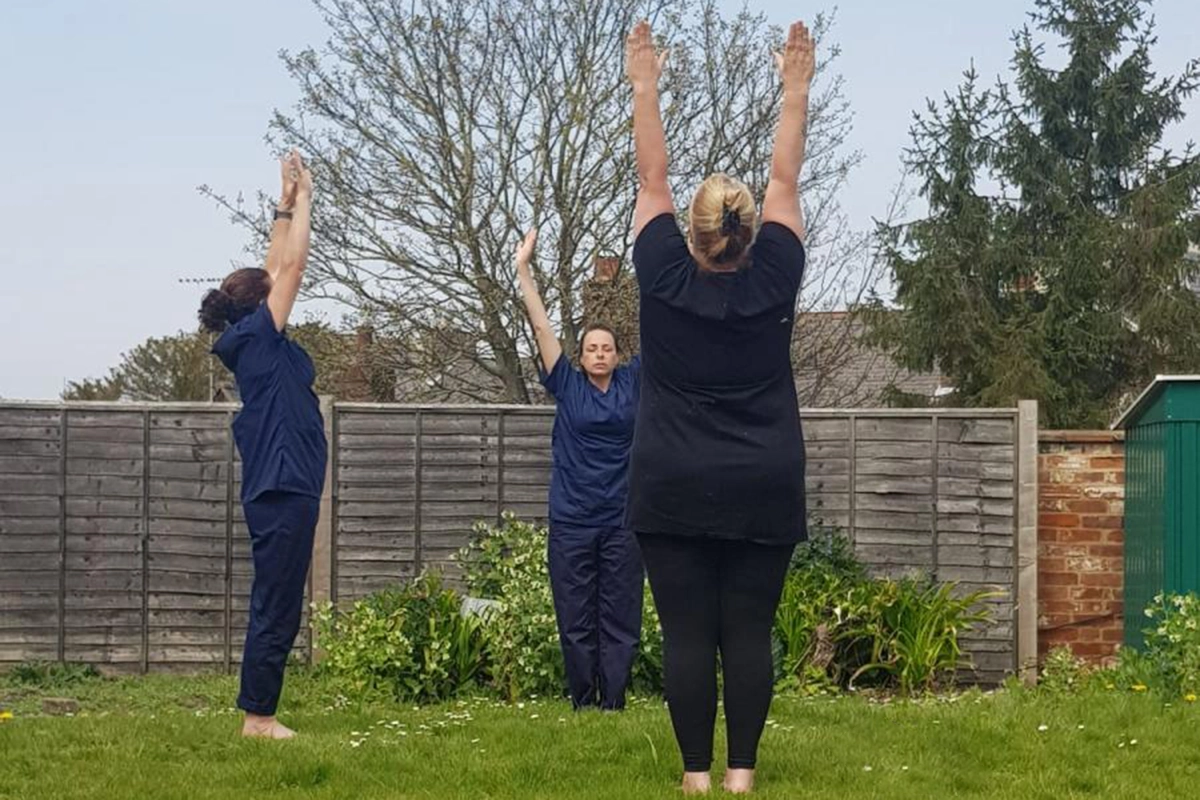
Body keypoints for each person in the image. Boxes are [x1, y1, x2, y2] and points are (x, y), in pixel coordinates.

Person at [624, 19, 814, 794]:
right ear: (744, 235)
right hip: (763, 475)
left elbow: (650, 185)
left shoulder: (662, 272)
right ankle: (741, 776)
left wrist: (645, 84)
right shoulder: (775, 273)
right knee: (748, 632)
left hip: (671, 477)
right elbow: (786, 184)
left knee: (688, 635)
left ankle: (696, 778)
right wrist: (794, 89)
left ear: (693, 234)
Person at [198, 151, 325, 739]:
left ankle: (259, 711)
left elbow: (277, 265)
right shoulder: (257, 338)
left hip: (285, 482)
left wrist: (283, 202)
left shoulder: (255, 337)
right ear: (260, 305)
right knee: (277, 600)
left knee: (277, 596)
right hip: (282, 484)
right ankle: (259, 717)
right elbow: (293, 266)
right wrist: (310, 202)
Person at [513, 228, 644, 710]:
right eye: (592, 348)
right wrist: (524, 270)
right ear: (582, 354)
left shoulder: (634, 383)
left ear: (617, 354)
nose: (600, 353)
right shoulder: (567, 385)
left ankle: (614, 702)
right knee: (575, 616)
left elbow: (661, 327)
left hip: (624, 521)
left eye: (607, 347)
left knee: (620, 616)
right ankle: (583, 702)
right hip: (572, 521)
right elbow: (544, 329)